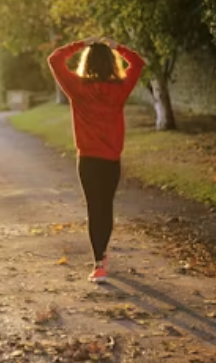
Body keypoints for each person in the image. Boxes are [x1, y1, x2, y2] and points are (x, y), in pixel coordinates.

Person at [47, 36, 146, 283]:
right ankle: (102, 256)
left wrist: (80, 43)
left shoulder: (77, 87)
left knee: (95, 209)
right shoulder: (120, 89)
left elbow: (55, 59)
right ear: (111, 63)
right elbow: (138, 62)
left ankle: (99, 263)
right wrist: (118, 47)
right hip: (111, 160)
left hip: (88, 161)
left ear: (87, 62)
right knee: (106, 207)